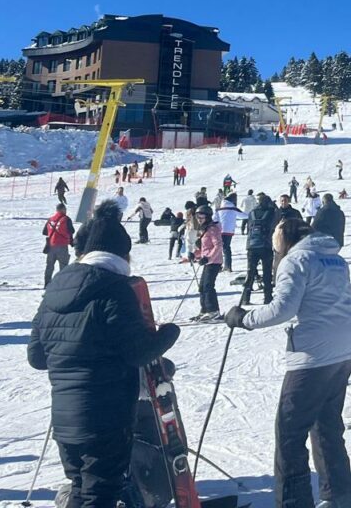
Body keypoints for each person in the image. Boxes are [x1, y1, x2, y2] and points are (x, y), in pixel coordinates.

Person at [28, 201, 180, 508]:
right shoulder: (116, 288)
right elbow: (137, 352)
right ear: (121, 255)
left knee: (81, 489)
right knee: (100, 496)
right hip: (106, 418)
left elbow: (37, 356)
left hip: (66, 420)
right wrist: (169, 333)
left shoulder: (55, 288)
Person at [225, 217, 351, 508]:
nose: (274, 244)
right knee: (326, 425)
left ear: (286, 236)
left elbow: (283, 309)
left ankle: (293, 502)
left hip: (312, 358)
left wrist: (245, 318)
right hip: (343, 351)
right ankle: (341, 497)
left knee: (290, 432)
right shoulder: (335, 260)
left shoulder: (296, 260)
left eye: (276, 237)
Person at [186, 204, 223, 322]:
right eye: (197, 216)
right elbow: (205, 248)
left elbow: (218, 246)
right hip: (207, 262)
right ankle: (205, 310)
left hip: (214, 262)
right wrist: (195, 254)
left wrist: (208, 258)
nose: (199, 219)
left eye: (202, 216)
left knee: (208, 286)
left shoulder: (213, 229)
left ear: (208, 216)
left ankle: (213, 311)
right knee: (202, 287)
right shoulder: (205, 229)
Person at [246, 192, 280, 303]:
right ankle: (268, 297)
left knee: (250, 272)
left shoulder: (252, 213)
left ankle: (246, 297)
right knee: (267, 272)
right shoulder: (271, 212)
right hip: (265, 246)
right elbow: (278, 219)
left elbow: (248, 228)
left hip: (251, 245)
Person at [43, 203, 75, 287]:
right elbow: (71, 231)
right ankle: (62, 284)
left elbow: (44, 232)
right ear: (62, 210)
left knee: (49, 266)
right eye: (65, 209)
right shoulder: (66, 219)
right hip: (62, 246)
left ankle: (47, 283)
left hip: (51, 246)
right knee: (63, 266)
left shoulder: (50, 219)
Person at [216, 194, 243, 270]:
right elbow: (243, 215)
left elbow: (214, 219)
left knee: (218, 248)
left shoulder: (219, 210)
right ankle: (228, 266)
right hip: (228, 231)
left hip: (219, 231)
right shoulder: (233, 209)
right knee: (226, 248)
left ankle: (218, 265)